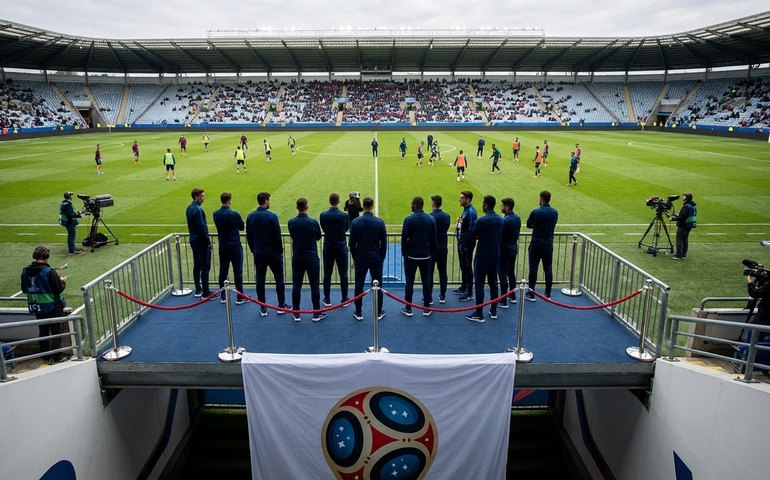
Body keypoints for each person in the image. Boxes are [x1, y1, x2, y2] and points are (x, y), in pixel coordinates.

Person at [20, 246, 70, 364]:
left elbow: (24, 288)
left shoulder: (25, 270)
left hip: (36, 305)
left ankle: (46, 357)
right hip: (52, 305)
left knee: (43, 331)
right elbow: (58, 289)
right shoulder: (49, 271)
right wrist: (62, 281)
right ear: (46, 257)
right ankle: (57, 356)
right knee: (55, 331)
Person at [246, 192, 288, 317]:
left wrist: (254, 249)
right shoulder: (272, 216)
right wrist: (280, 251)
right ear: (265, 201)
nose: (269, 202)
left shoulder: (250, 216)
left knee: (260, 279)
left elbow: (249, 236)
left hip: (259, 252)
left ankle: (263, 307)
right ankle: (281, 305)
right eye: (269, 200)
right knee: (279, 279)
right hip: (273, 252)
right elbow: (277, 236)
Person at [466, 195, 504, 323]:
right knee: (493, 283)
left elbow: (472, 235)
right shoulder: (500, 220)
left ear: (486, 205)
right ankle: (493, 311)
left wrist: (479, 236)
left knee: (479, 284)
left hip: (482, 255)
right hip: (495, 255)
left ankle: (479, 313)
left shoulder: (481, 220)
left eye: (483, 203)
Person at [349, 197, 387, 321]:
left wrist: (355, 257)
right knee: (377, 285)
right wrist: (381, 257)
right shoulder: (379, 222)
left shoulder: (356, 222)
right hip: (375, 257)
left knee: (359, 285)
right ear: (372, 206)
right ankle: (378, 311)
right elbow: (384, 243)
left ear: (363, 206)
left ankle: (358, 311)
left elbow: (352, 244)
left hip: (361, 257)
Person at [287, 198, 324, 322]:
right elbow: (318, 237)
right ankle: (316, 313)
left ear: (297, 207)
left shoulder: (291, 222)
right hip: (311, 257)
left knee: (296, 285)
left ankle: (296, 313)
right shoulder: (313, 222)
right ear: (307, 207)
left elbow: (293, 235)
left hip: (298, 257)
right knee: (314, 286)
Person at [400, 196, 437, 317]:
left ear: (415, 205)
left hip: (411, 256)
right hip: (425, 255)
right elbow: (434, 239)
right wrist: (430, 253)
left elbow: (404, 238)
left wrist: (405, 254)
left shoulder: (408, 219)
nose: (411, 205)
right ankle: (426, 308)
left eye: (412, 203)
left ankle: (408, 308)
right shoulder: (430, 219)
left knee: (409, 282)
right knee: (426, 281)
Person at [526, 190, 559, 301]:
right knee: (548, 269)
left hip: (536, 244)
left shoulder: (536, 212)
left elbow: (528, 224)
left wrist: (536, 226)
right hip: (548, 244)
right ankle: (548, 294)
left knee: (533, 268)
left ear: (541, 199)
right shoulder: (554, 212)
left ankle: (531, 293)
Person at [213, 192, 245, 304]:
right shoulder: (234, 214)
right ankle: (240, 297)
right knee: (238, 272)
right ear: (229, 200)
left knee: (223, 271)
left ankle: (223, 296)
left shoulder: (216, 214)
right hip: (235, 246)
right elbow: (242, 227)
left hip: (223, 246)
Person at [320, 193, 350, 307]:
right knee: (343, 273)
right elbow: (346, 227)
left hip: (328, 246)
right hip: (341, 246)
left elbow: (324, 228)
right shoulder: (344, 215)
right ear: (339, 201)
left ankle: (327, 299)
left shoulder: (323, 215)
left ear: (329, 201)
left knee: (327, 273)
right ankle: (344, 299)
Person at [186, 188, 212, 298]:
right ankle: (206, 292)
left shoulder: (189, 208)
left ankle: (198, 289)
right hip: (201, 241)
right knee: (205, 266)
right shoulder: (198, 210)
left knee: (197, 265)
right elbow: (202, 227)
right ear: (196, 197)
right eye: (202, 196)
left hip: (193, 239)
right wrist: (207, 241)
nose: (204, 198)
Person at [453, 191, 477, 302]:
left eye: (462, 198)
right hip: (463, 243)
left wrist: (465, 245)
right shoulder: (466, 210)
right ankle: (463, 287)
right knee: (464, 267)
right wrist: (460, 222)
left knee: (467, 267)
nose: (459, 199)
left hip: (466, 245)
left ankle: (469, 292)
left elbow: (471, 230)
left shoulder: (470, 212)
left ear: (468, 200)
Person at [498, 197, 521, 307]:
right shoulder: (517, 218)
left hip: (504, 251)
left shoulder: (505, 220)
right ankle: (512, 295)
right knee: (511, 273)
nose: (501, 207)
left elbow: (501, 235)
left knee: (502, 274)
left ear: (507, 207)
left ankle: (503, 300)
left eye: (502, 205)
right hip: (513, 249)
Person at [430, 195, 451, 304]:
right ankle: (442, 295)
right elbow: (446, 228)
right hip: (442, 248)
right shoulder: (446, 216)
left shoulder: (430, 216)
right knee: (443, 272)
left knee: (429, 272)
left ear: (433, 203)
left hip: (432, 248)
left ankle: (429, 297)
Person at [669, 193, 697, 260]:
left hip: (684, 225)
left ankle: (678, 255)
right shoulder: (692, 205)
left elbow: (682, 217)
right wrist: (677, 215)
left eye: (684, 196)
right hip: (689, 225)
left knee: (679, 239)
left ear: (686, 198)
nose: (683, 197)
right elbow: (689, 214)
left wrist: (673, 219)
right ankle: (683, 254)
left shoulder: (686, 206)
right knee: (685, 240)